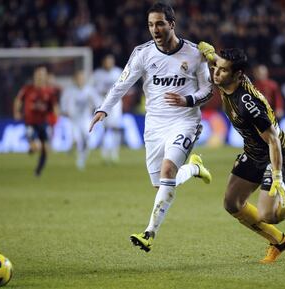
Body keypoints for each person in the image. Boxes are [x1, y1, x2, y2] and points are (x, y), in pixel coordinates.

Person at [89, 2, 213, 252]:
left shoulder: (194, 53)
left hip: (185, 120)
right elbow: (121, 84)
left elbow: (208, 89)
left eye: (159, 23)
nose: (154, 29)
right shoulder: (142, 53)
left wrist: (188, 100)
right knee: (162, 186)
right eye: (150, 24)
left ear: (172, 24)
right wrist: (103, 108)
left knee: (167, 172)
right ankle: (194, 169)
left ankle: (149, 233)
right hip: (154, 125)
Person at [198, 42, 285, 263]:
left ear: (238, 74)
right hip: (253, 152)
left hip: (275, 154)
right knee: (232, 203)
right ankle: (279, 241)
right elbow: (216, 61)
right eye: (216, 67)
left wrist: (278, 177)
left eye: (222, 70)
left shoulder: (248, 103)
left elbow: (272, 140)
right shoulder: (225, 74)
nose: (216, 72)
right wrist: (208, 52)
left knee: (269, 215)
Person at [13, 66, 59, 176]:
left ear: (45, 76)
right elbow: (18, 100)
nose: (40, 77)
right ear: (35, 76)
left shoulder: (50, 91)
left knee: (46, 149)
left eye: (42, 75)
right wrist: (17, 112)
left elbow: (55, 106)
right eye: (38, 75)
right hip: (31, 123)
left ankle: (38, 171)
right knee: (36, 146)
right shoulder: (27, 89)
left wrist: (57, 116)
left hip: (44, 122)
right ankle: (32, 148)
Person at [60, 70, 102, 169]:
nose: (80, 80)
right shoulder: (69, 91)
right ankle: (78, 157)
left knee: (87, 140)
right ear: (74, 80)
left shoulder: (89, 90)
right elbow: (63, 105)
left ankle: (81, 158)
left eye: (82, 78)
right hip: (73, 121)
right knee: (78, 140)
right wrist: (65, 111)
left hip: (85, 119)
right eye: (78, 79)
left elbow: (98, 102)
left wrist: (98, 111)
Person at [90, 54, 124, 164]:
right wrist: (96, 103)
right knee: (104, 129)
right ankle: (104, 153)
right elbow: (91, 89)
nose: (109, 63)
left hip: (116, 104)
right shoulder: (97, 74)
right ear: (103, 62)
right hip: (102, 103)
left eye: (110, 61)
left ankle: (114, 154)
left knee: (116, 128)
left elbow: (125, 86)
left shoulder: (118, 72)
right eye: (107, 61)